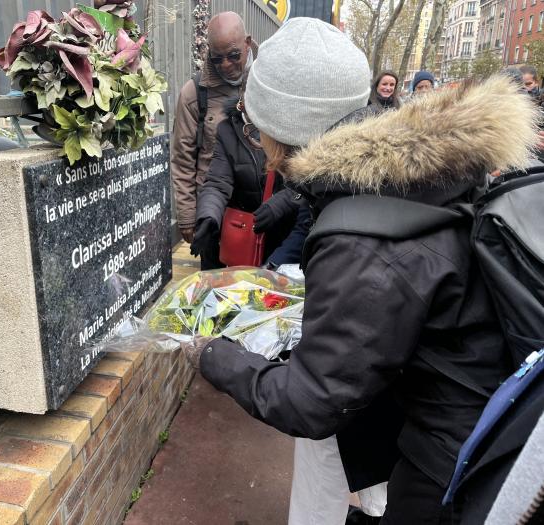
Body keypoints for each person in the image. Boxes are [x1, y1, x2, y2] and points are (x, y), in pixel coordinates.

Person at [183, 16, 539, 525]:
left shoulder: (357, 234)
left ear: (283, 130)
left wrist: (213, 355)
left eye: (259, 123)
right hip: (481, 411)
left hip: (455, 459)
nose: (256, 139)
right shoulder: (405, 175)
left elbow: (309, 401)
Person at [170, 12, 256, 268]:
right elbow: (182, 158)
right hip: (213, 214)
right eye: (217, 58)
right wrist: (186, 216)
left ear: (247, 43)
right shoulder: (195, 93)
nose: (226, 65)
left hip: (257, 211)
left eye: (233, 56)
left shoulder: (267, 82)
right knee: (214, 293)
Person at [190, 94, 301, 269]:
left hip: (286, 236)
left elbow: (308, 180)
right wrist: (208, 216)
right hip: (245, 234)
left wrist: (280, 204)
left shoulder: (295, 124)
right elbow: (218, 182)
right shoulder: (229, 129)